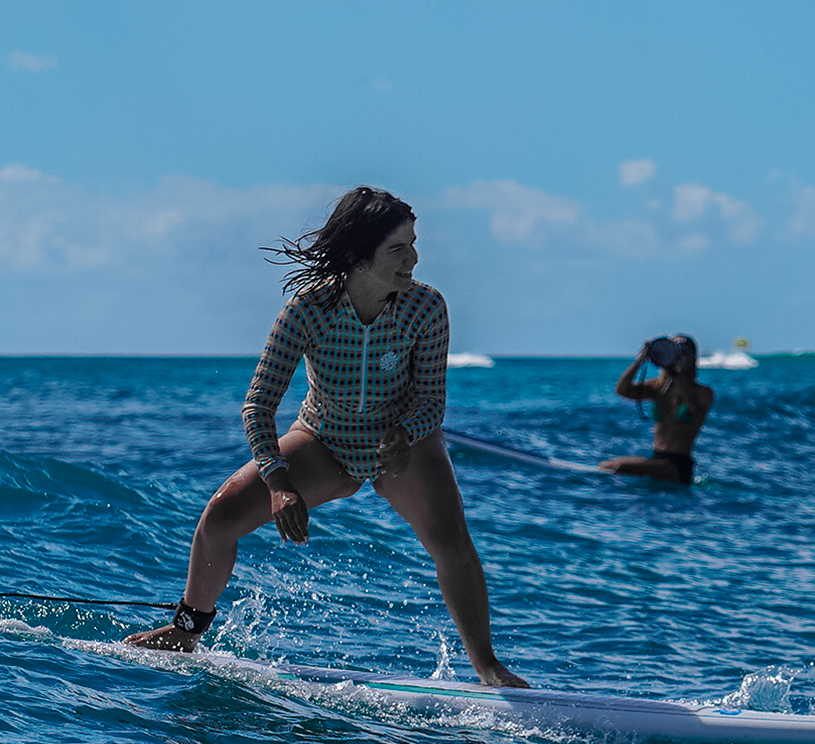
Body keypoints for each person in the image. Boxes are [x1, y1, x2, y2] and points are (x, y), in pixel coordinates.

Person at [126, 187, 526, 685]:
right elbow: (258, 404)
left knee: (451, 539)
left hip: (400, 446)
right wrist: (277, 483)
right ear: (360, 256)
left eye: (414, 243)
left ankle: (486, 665)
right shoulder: (309, 309)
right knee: (221, 513)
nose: (414, 258)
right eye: (398, 248)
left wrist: (408, 433)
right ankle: (185, 630)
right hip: (324, 441)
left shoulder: (426, 308)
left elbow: (431, 402)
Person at [601, 334, 713, 485]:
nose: (677, 357)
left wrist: (679, 374)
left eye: (682, 353)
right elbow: (622, 390)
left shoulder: (703, 393)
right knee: (609, 464)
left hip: (678, 466)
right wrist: (640, 361)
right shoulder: (659, 388)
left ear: (692, 358)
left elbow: (694, 406)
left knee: (617, 467)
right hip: (656, 458)